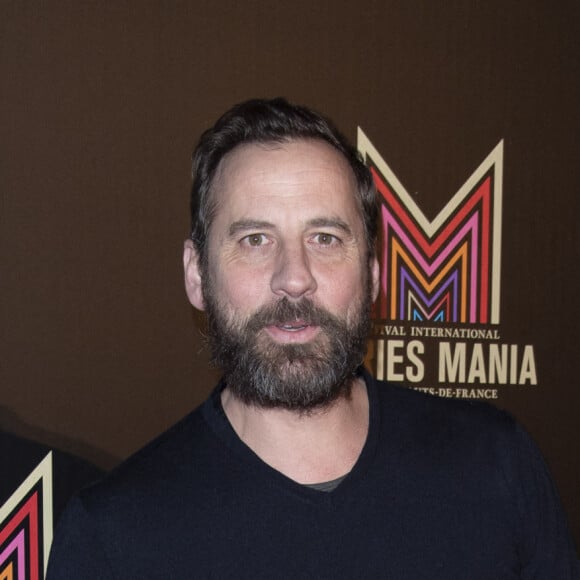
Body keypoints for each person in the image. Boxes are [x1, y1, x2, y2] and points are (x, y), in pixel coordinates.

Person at [47, 98, 578, 578]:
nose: (294, 276)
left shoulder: (495, 464)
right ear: (196, 275)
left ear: (372, 273)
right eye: (255, 240)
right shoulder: (113, 536)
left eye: (325, 238)